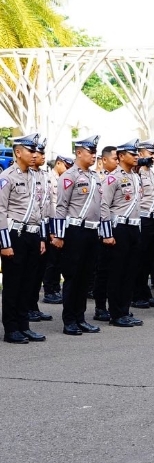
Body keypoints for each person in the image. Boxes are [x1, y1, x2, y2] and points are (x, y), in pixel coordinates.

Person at [53, 135, 103, 335]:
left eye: (95, 153)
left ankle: (80, 317)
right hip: (75, 230)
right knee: (73, 276)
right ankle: (69, 320)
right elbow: (61, 207)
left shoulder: (94, 177)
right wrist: (58, 235)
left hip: (91, 231)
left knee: (86, 276)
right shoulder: (69, 176)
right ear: (79, 152)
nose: (94, 156)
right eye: (91, 152)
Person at [0, 133, 47, 343]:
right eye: (31, 151)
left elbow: (39, 208)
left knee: (28, 283)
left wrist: (41, 238)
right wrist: (5, 243)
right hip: (14, 235)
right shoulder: (7, 177)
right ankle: (11, 328)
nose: (35, 155)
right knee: (13, 284)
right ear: (18, 152)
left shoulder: (35, 177)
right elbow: (0, 211)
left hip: (32, 234)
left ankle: (23, 325)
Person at [100, 138, 144, 327]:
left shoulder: (135, 176)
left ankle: (125, 310)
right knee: (117, 271)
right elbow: (104, 206)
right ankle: (115, 313)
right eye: (133, 154)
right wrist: (107, 234)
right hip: (119, 228)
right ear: (121, 156)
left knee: (130, 271)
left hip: (134, 227)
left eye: (137, 154)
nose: (137, 157)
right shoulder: (113, 178)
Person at [133, 138, 154, 309]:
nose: (153, 156)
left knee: (149, 259)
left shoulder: (153, 173)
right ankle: (136, 294)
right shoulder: (136, 172)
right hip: (143, 218)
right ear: (140, 153)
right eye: (149, 153)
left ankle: (145, 292)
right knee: (140, 258)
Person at [28, 139, 54, 323]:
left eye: (44, 154)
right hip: (30, 228)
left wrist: (51, 231)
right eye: (38, 153)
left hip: (44, 227)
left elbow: (49, 204)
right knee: (29, 272)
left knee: (39, 271)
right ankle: (26, 307)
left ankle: (33, 306)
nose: (42, 157)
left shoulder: (45, 176)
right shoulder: (26, 175)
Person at [42, 154, 73, 304]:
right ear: (58, 163)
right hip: (51, 222)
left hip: (62, 223)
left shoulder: (63, 179)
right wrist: (50, 231)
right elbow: (48, 206)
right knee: (51, 260)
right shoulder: (49, 179)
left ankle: (55, 288)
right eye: (66, 167)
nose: (67, 170)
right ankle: (49, 290)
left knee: (59, 260)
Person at [92, 146, 118, 321]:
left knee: (113, 271)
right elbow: (102, 207)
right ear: (104, 160)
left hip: (111, 229)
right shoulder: (98, 177)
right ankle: (100, 307)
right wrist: (106, 233)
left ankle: (115, 305)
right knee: (102, 271)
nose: (117, 161)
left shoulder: (119, 177)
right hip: (99, 231)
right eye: (115, 158)